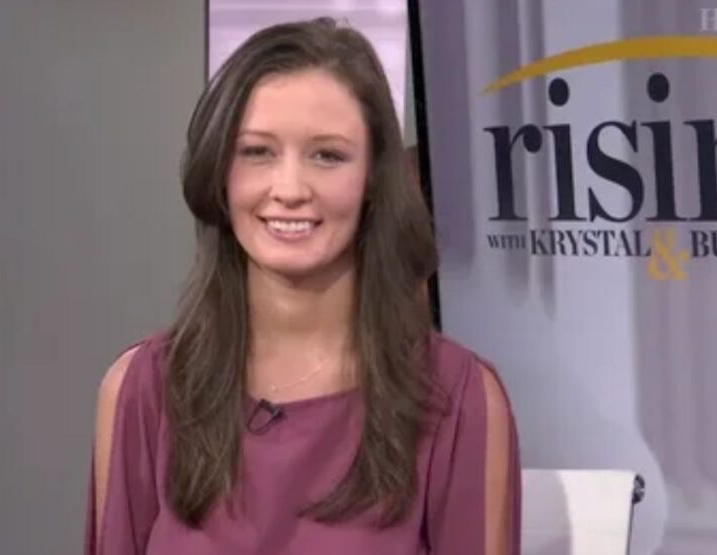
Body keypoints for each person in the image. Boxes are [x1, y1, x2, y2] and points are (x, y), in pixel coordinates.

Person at [85, 17, 520, 555]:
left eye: (327, 155)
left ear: (372, 181)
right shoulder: (141, 389)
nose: (289, 189)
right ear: (220, 173)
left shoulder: (457, 398)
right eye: (257, 152)